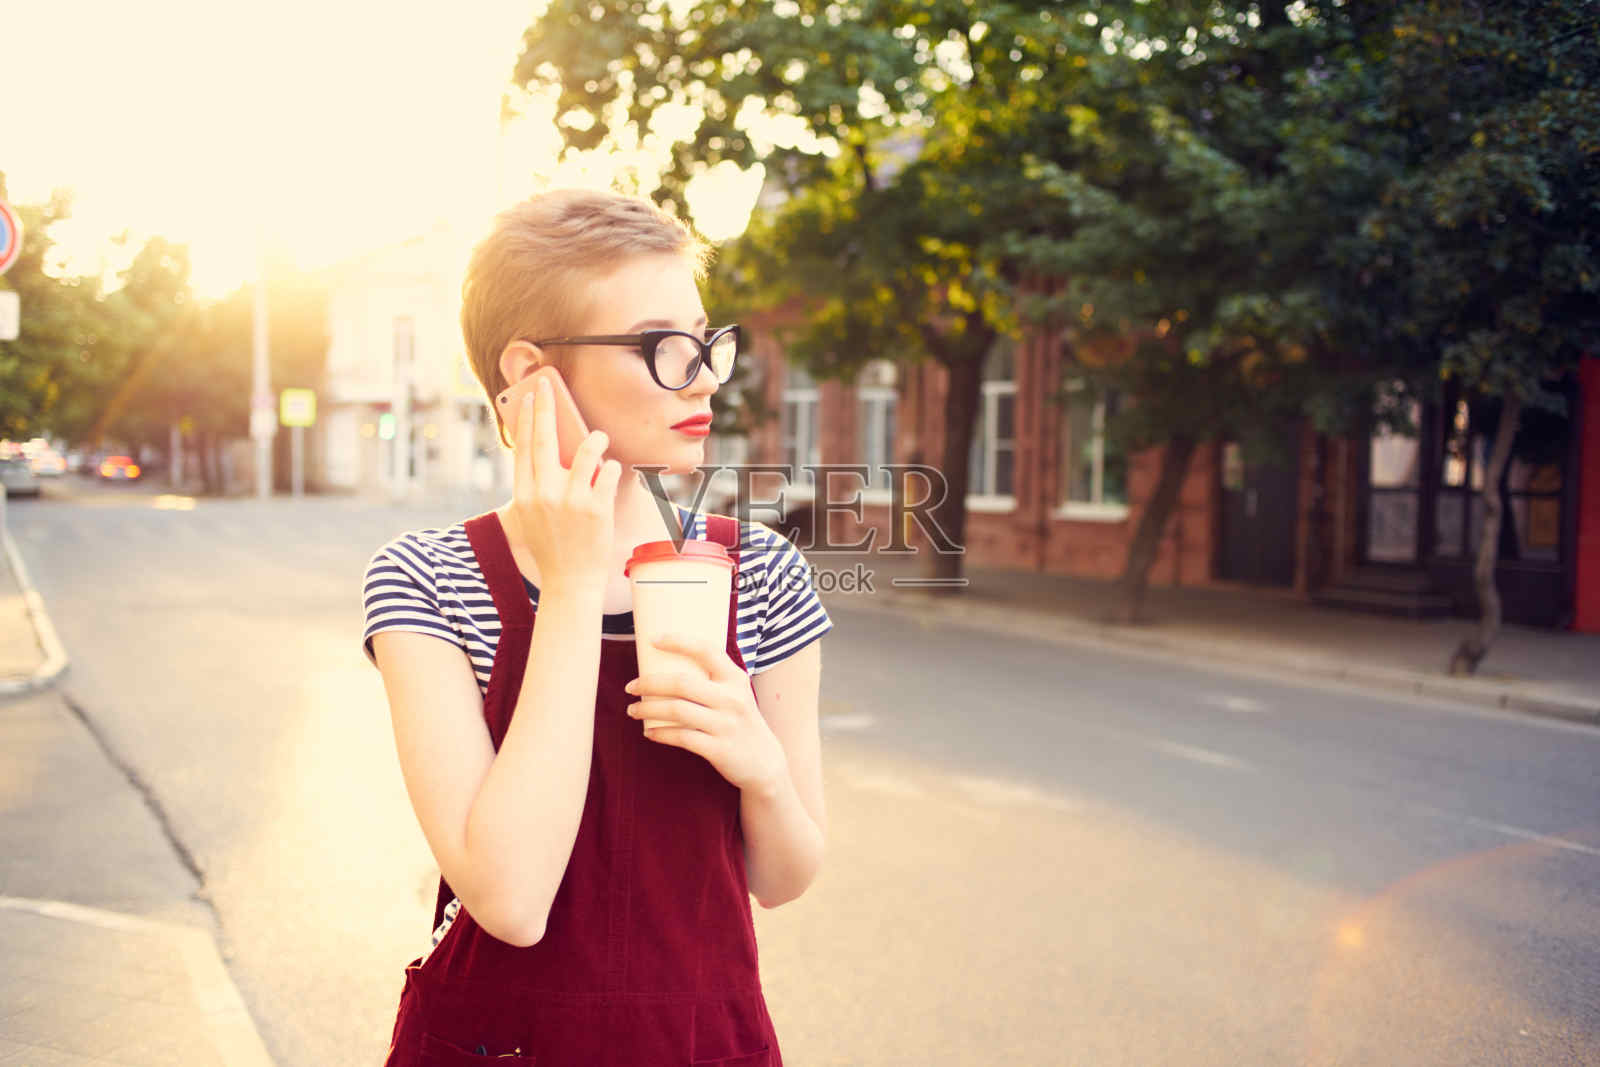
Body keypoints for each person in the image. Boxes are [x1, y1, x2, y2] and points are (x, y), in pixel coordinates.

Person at [361, 188, 832, 1066]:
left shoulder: (763, 572)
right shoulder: (427, 579)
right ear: (532, 373)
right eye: (661, 347)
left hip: (704, 1046)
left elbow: (785, 876)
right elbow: (511, 898)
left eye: (706, 342)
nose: (704, 377)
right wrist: (575, 584)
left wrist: (760, 766)